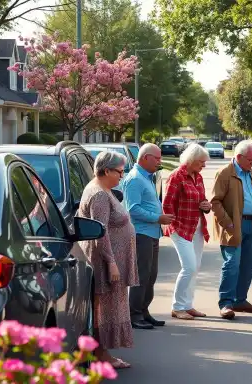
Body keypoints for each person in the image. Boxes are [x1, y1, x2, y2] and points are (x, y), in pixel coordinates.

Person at [77, 151, 138, 369]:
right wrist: (111, 262)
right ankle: (101, 356)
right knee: (104, 311)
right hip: (105, 263)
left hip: (113, 260)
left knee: (106, 308)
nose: (122, 176)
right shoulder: (99, 195)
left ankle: (99, 353)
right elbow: (99, 232)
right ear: (106, 171)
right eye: (119, 172)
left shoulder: (104, 189)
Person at [211, 140, 252, 320]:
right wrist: (228, 223)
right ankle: (225, 303)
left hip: (251, 224)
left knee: (250, 263)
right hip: (233, 225)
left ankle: (240, 300)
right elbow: (215, 201)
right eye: (250, 159)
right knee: (232, 264)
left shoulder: (251, 173)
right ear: (239, 157)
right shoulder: (225, 173)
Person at [123, 143, 174, 329]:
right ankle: (134, 315)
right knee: (141, 275)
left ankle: (144, 311)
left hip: (152, 233)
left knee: (151, 276)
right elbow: (133, 209)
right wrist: (157, 217)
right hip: (141, 233)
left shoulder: (148, 177)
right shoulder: (135, 179)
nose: (160, 161)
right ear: (145, 157)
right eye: (157, 158)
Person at [162, 144, 212, 320]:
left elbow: (202, 199)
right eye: (201, 162)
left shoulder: (197, 177)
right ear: (190, 160)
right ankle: (177, 306)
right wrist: (173, 225)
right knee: (189, 266)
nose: (203, 166)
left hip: (197, 227)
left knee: (195, 268)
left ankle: (188, 305)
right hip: (181, 227)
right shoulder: (176, 176)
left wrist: (207, 205)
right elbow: (167, 204)